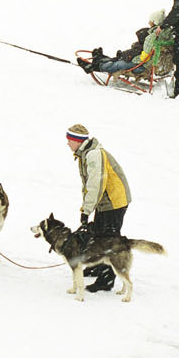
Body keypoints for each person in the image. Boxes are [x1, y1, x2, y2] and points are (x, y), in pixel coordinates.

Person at [66, 123, 131, 293]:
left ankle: (106, 280)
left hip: (114, 202)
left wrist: (86, 211)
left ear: (77, 141)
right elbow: (90, 186)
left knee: (109, 241)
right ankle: (97, 268)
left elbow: (96, 184)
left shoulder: (93, 155)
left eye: (69, 140)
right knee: (98, 236)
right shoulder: (85, 153)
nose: (67, 143)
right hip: (104, 202)